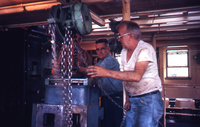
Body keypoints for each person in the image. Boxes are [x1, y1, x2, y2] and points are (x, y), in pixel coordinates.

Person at [87, 21, 164, 127]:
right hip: (133, 99)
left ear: (130, 36)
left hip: (148, 99)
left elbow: (136, 76)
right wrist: (127, 98)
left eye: (120, 36)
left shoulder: (145, 49)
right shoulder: (123, 52)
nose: (118, 39)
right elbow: (125, 77)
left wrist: (106, 72)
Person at [92, 39, 123, 127]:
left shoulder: (111, 61)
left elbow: (94, 71)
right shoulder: (99, 63)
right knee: (106, 124)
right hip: (106, 99)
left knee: (116, 123)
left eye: (102, 48)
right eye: (97, 49)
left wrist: (79, 69)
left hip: (115, 98)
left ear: (108, 49)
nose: (100, 51)